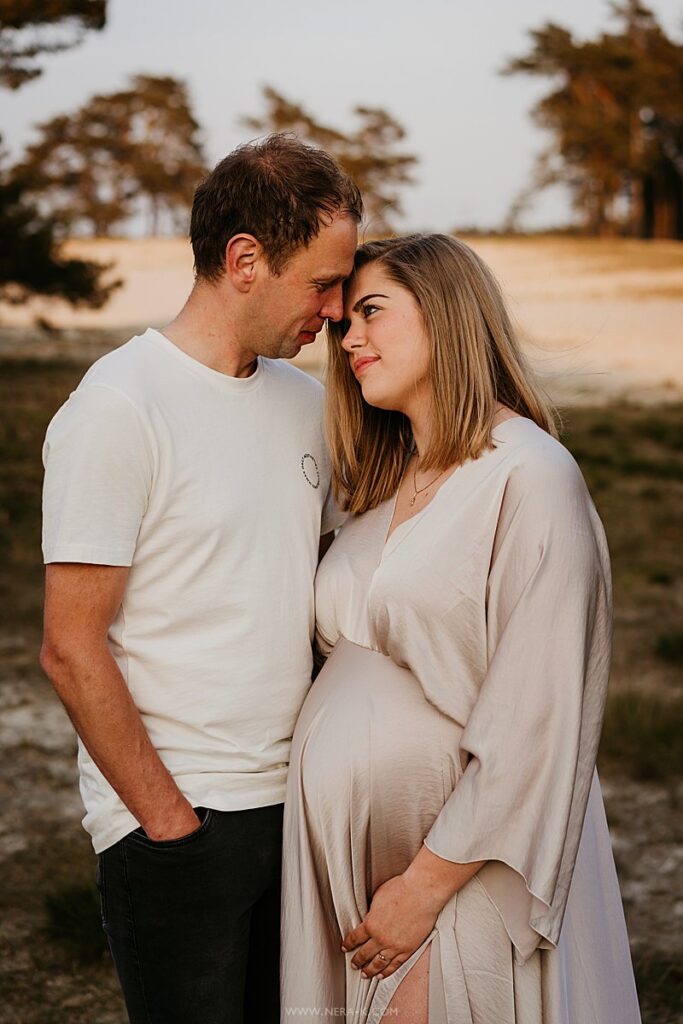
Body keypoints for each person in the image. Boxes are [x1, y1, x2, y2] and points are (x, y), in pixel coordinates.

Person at [39, 134, 361, 1024]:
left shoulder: (306, 404)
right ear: (245, 260)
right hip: (180, 822)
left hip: (298, 808)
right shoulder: (118, 407)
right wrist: (169, 825)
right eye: (322, 284)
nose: (335, 312)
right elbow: (70, 646)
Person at [282, 234, 641, 1023]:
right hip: (363, 873)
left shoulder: (530, 476)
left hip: (474, 864)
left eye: (371, 313)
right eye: (344, 323)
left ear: (445, 317)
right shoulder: (378, 482)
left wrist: (423, 887)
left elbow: (538, 717)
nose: (349, 341)